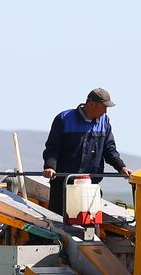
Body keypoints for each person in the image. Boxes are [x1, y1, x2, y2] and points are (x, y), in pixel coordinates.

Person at [41, 88, 133, 216]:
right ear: (91, 104)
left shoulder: (104, 122)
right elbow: (53, 148)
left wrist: (121, 167)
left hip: (90, 186)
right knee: (58, 225)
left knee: (90, 227)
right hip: (63, 185)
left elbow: (109, 149)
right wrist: (50, 167)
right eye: (103, 107)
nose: (105, 111)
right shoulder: (64, 119)